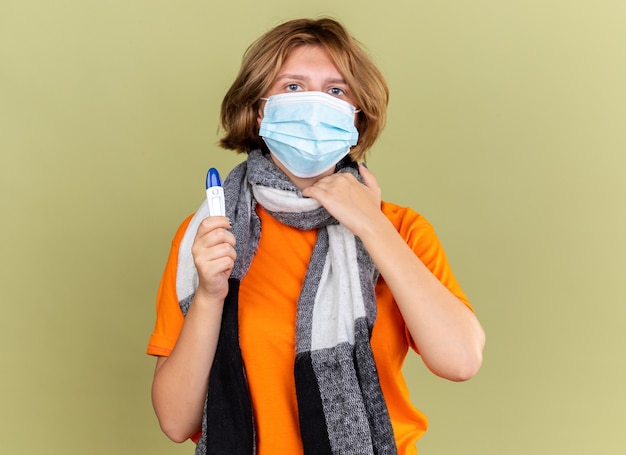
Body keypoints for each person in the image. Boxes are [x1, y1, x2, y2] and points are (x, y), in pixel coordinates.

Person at [147, 17, 485, 455]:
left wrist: (370, 223)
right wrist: (211, 296)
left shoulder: (400, 229)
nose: (313, 105)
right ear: (258, 109)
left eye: (335, 91)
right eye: (292, 87)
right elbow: (176, 422)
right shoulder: (211, 235)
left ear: (356, 117)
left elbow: (461, 361)